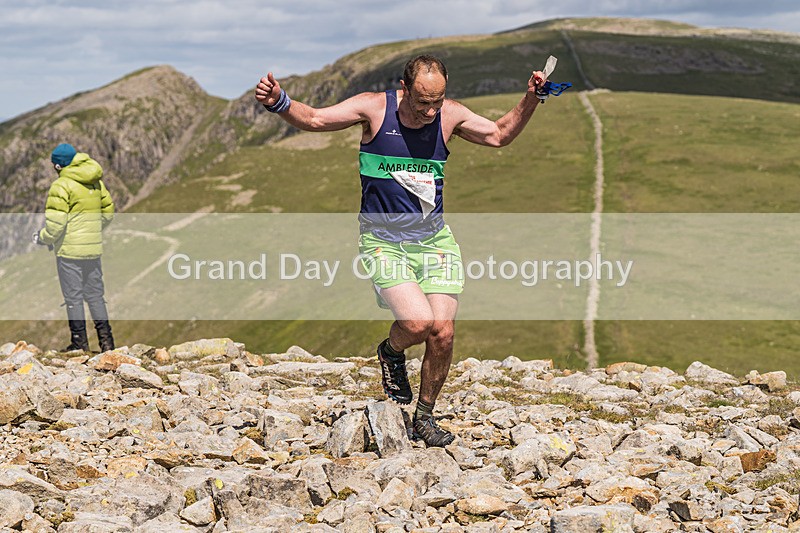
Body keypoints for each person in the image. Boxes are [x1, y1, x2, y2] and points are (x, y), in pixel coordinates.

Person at [255, 55, 549, 447]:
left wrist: (531, 98)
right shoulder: (374, 109)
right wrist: (279, 101)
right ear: (404, 88)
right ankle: (391, 352)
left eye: (437, 101)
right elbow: (317, 119)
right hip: (383, 241)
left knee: (442, 332)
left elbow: (499, 134)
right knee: (416, 323)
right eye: (422, 101)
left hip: (434, 241)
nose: (430, 111)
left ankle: (424, 417)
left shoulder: (449, 115)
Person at [33, 143, 115, 353]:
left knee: (74, 298)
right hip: (92, 250)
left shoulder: (61, 185)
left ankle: (79, 343)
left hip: (69, 252)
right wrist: (91, 231)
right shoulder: (95, 180)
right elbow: (108, 212)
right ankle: (107, 343)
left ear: (58, 166)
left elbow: (55, 226)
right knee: (95, 296)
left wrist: (42, 238)